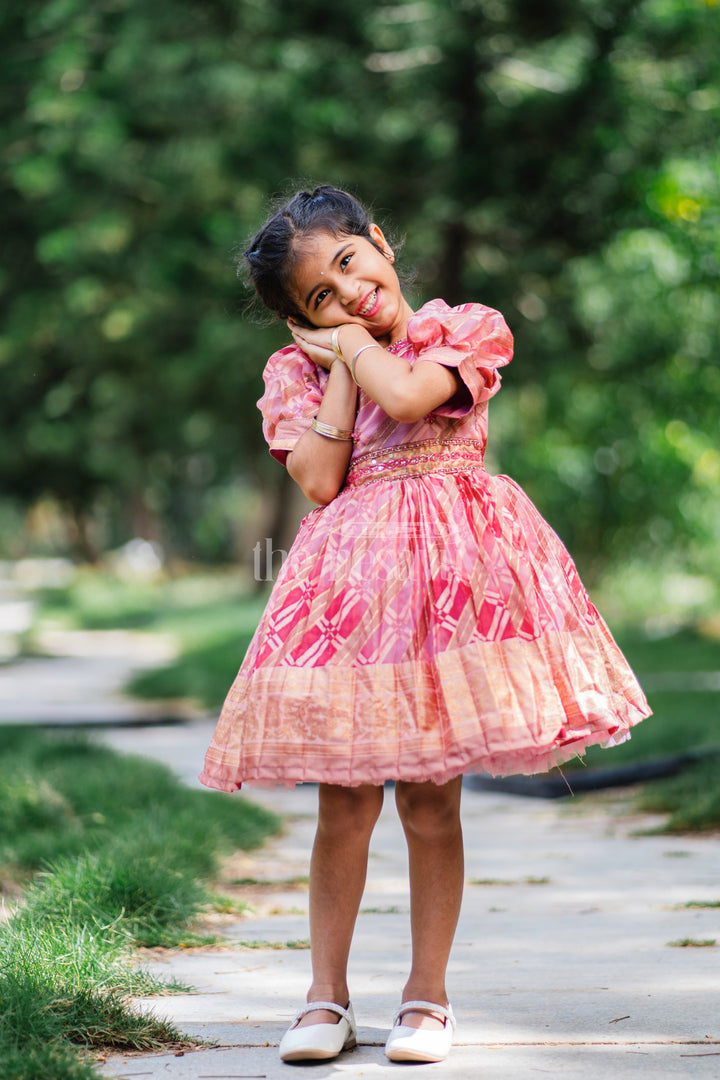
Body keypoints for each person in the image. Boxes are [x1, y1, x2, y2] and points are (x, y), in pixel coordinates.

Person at [200, 184, 651, 1065]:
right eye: (320, 299)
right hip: (353, 598)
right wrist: (334, 363)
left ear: (377, 241)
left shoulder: (462, 328)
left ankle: (426, 999)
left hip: (457, 592)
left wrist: (352, 348)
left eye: (347, 262)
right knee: (346, 800)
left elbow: (409, 398)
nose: (348, 293)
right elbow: (322, 481)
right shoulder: (299, 371)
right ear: (302, 322)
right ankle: (325, 998)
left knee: (434, 803)